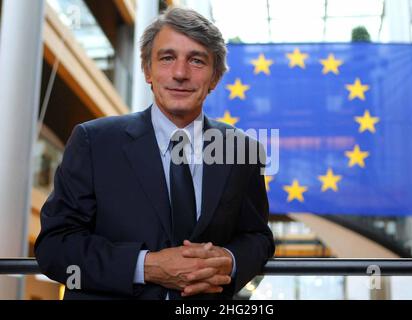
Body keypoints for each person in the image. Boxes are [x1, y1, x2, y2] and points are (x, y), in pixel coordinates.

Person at [34, 7, 274, 300]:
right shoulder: (93, 142)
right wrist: (146, 266)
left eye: (197, 60)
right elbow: (55, 246)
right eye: (167, 58)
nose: (180, 73)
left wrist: (229, 260)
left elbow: (257, 237)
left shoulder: (241, 149)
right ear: (148, 70)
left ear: (214, 77)